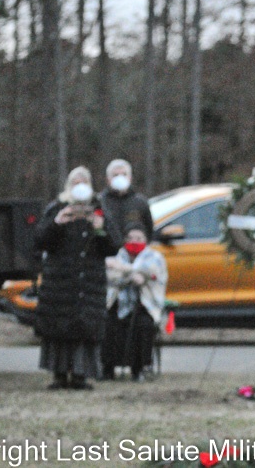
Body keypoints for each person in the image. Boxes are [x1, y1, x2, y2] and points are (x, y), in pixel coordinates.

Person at [34, 166, 122, 390]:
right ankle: (59, 375)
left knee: (85, 328)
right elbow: (40, 240)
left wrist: (101, 228)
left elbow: (113, 246)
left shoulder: (99, 209)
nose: (80, 186)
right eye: (76, 182)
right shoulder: (57, 207)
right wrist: (57, 223)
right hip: (59, 282)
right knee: (59, 327)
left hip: (89, 281)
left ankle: (81, 375)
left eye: (84, 182)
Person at [101, 223, 167, 382]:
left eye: (138, 238)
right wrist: (132, 275)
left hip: (145, 304)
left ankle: (138, 369)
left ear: (146, 240)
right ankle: (107, 368)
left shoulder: (155, 257)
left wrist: (123, 270)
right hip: (117, 303)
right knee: (108, 324)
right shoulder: (116, 255)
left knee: (143, 325)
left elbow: (150, 273)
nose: (134, 241)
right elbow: (110, 276)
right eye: (130, 238)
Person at [99, 159, 154, 241]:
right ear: (108, 180)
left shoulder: (140, 202)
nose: (120, 178)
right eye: (115, 175)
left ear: (130, 178)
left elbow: (149, 230)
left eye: (124, 174)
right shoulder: (101, 202)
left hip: (132, 247)